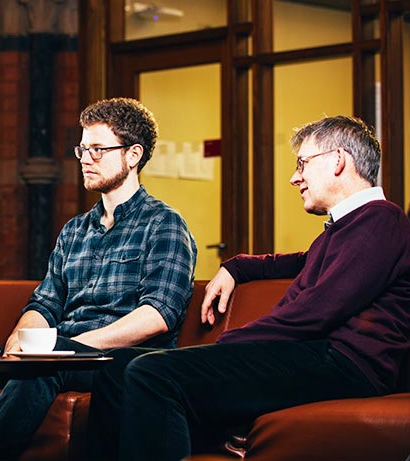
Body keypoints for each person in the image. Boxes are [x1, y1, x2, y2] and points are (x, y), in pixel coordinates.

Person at [87, 115, 410, 461]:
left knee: (153, 374)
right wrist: (235, 267)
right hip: (317, 356)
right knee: (114, 366)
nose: (294, 177)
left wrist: (229, 344)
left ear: (338, 160)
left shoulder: (381, 220)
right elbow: (293, 263)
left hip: (345, 364)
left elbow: (317, 312)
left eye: (302, 163)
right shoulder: (342, 231)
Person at [0, 97, 198, 459]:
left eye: (98, 149)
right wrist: (20, 337)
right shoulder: (75, 230)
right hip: (55, 351)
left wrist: (69, 347)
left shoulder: (165, 224)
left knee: (45, 362)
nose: (86, 159)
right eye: (82, 149)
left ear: (133, 154)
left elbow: (158, 315)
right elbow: (44, 302)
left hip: (114, 361)